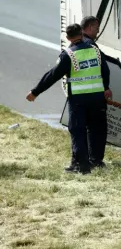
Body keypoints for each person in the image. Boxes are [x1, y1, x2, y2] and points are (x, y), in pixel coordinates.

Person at [26, 23, 112, 174]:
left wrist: (35, 92)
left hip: (79, 99)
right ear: (81, 33)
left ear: (68, 38)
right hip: (98, 97)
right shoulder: (95, 51)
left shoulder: (69, 55)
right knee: (97, 129)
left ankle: (81, 166)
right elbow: (106, 71)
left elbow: (52, 76)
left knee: (77, 130)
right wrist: (105, 87)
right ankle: (96, 161)